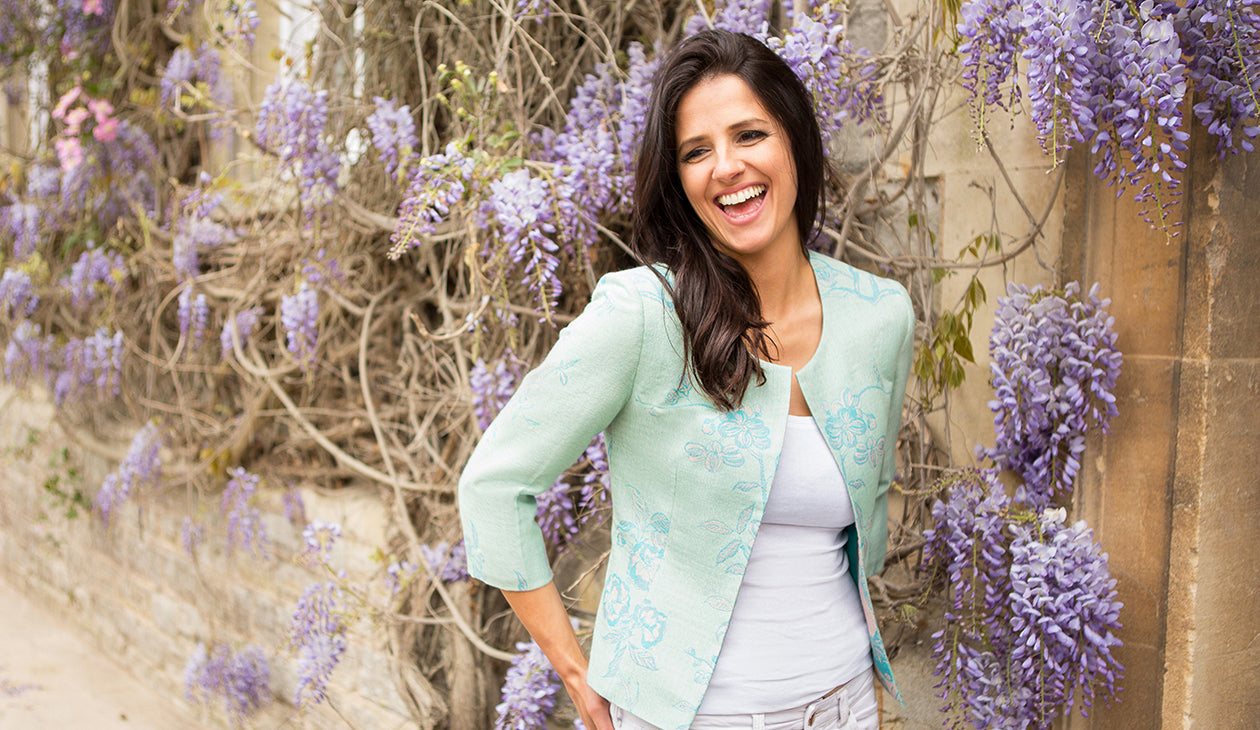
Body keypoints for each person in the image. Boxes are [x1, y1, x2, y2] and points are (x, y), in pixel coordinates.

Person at [458, 29, 914, 730]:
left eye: (749, 135)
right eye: (696, 152)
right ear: (679, 182)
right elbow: (494, 486)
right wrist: (580, 674)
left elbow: (861, 525)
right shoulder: (643, 315)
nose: (726, 167)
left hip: (846, 703)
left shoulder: (879, 316)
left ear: (795, 141)